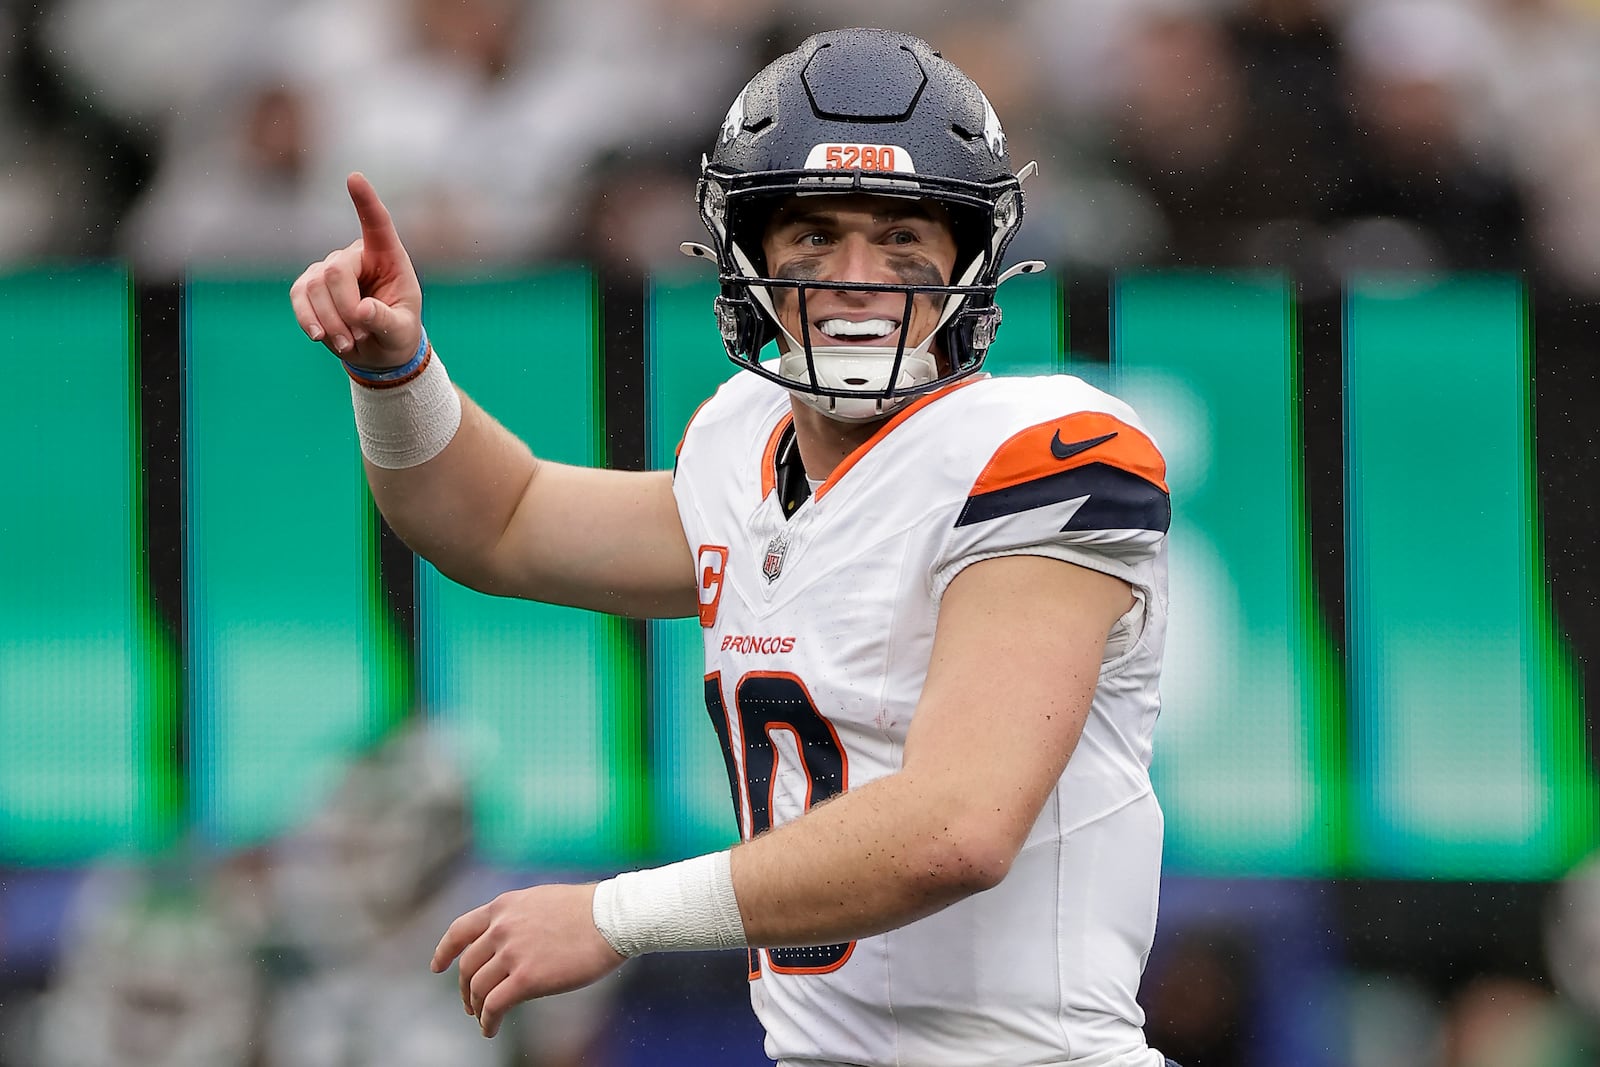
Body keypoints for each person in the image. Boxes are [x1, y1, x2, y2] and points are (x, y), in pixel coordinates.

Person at [290, 27, 1177, 1067]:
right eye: (814, 236)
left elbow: (957, 827)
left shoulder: (1043, 451)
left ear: (966, 261)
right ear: (747, 256)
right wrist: (396, 370)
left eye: (901, 240)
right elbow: (501, 523)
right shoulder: (743, 438)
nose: (858, 277)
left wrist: (616, 914)